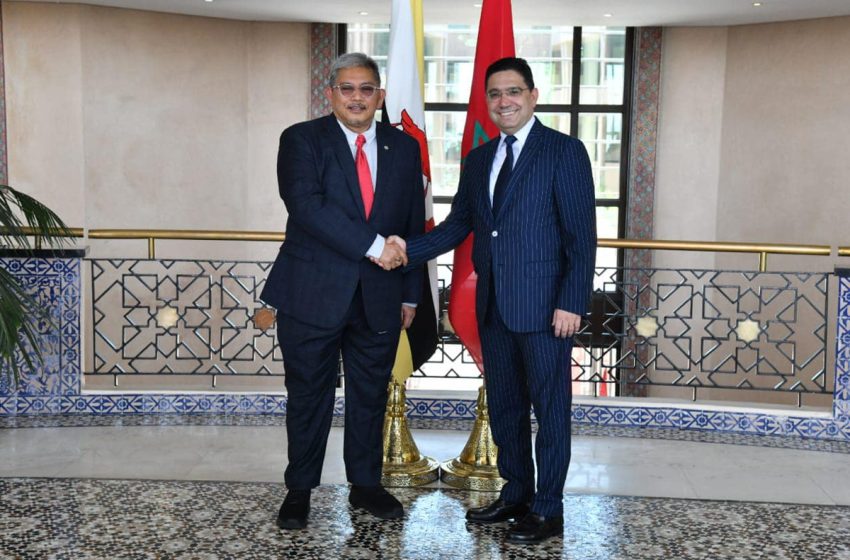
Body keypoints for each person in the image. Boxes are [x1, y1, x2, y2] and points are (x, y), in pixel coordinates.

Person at [400, 57, 596, 544]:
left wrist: (572, 301)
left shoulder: (564, 151)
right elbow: (457, 225)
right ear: (486, 102)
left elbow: (581, 236)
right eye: (494, 94)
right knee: (505, 410)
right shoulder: (480, 159)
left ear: (533, 96)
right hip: (494, 308)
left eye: (513, 91)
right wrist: (404, 251)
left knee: (550, 413)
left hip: (547, 310)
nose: (503, 101)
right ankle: (516, 495)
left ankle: (548, 510)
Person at [260, 52, 425, 530]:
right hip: (311, 292)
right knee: (308, 395)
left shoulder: (403, 147)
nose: (357, 97)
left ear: (380, 95)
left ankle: (365, 485)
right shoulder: (301, 140)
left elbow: (412, 222)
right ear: (330, 93)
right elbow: (306, 206)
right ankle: (299, 489)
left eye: (366, 88)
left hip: (381, 295)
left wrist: (410, 293)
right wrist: (374, 247)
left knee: (370, 395)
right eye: (347, 88)